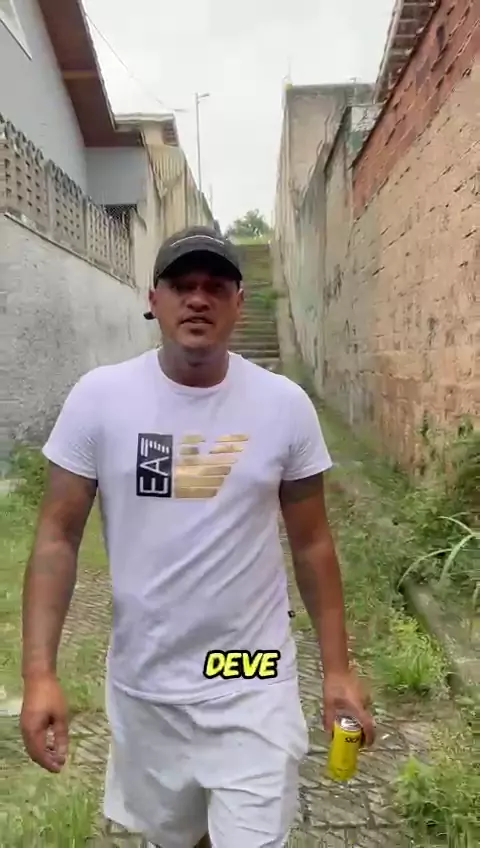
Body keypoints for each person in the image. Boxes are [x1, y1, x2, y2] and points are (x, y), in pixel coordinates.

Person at [21, 225, 375, 848]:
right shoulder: (101, 399)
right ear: (153, 300)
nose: (197, 299)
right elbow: (57, 537)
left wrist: (338, 670)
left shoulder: (283, 405)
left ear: (239, 303)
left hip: (252, 679)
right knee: (177, 839)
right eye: (182, 285)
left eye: (215, 286)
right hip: (147, 684)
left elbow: (313, 544)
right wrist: (39, 673)